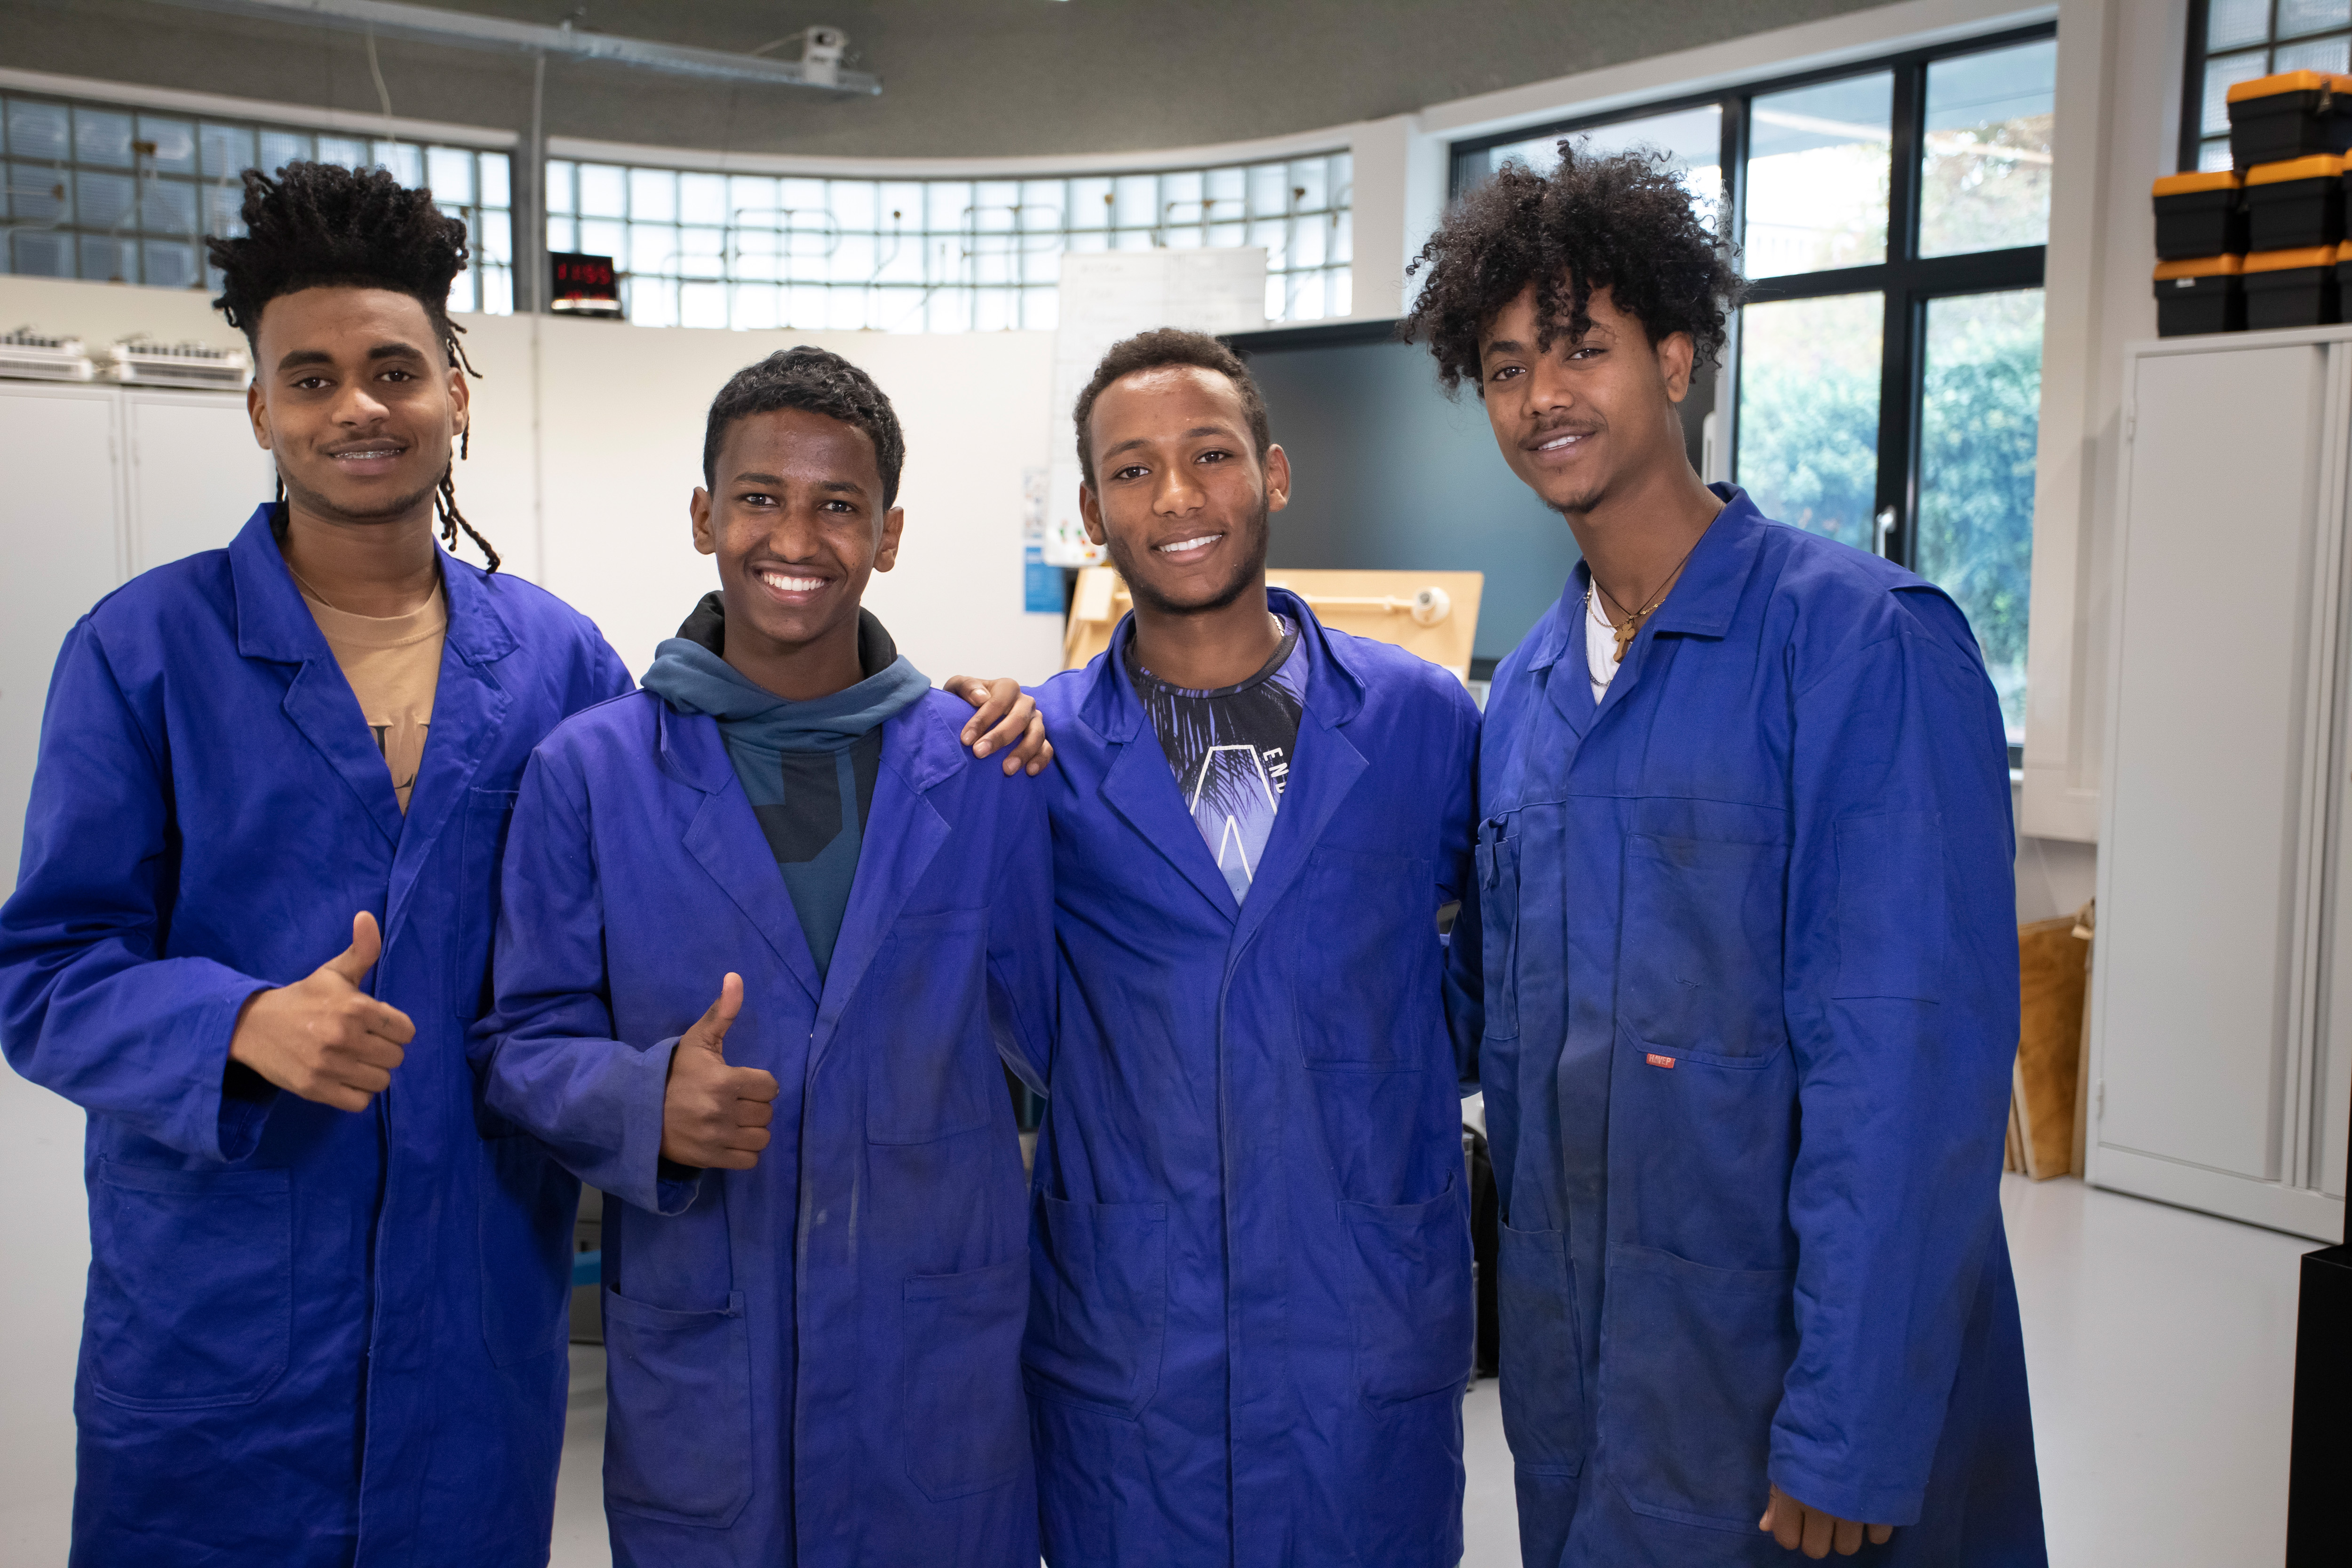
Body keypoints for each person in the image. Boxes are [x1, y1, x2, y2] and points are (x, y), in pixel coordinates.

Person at [1404, 146, 2044, 1564]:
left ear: (1678, 358)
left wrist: (1853, 1424)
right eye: (1507, 366)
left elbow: (1910, 1059)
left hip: (1787, 1390)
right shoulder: (1528, 700)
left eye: (1584, 348)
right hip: (1588, 1388)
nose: (1543, 396)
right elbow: (1487, 1012)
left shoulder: (1861, 643)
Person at [0, 161, 629, 1565]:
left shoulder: (558, 663)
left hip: (470, 1301)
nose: (359, 407)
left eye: (395, 369)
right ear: (261, 409)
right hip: (219, 1319)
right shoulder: (142, 652)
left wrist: (947, 726)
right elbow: (43, 976)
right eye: (314, 376)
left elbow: (642, 899)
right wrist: (236, 1021)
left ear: (457, 394)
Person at [473, 346, 1055, 1567]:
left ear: (889, 536)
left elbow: (1074, 1039)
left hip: (936, 1381)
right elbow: (518, 1047)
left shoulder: (988, 767)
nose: (797, 535)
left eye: (839, 505)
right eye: (759, 498)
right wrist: (645, 1101)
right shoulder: (593, 773)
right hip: (710, 1381)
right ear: (704, 518)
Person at [1024, 329, 1483, 1567]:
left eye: (1211, 455)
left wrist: (1360, 1067)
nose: (1176, 498)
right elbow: (1004, 1009)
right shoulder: (1038, 757)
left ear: (1274, 476)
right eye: (1132, 470)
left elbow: (1497, 972)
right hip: (1136, 1325)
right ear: (1090, 509)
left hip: (1359, 1304)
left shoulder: (1423, 719)